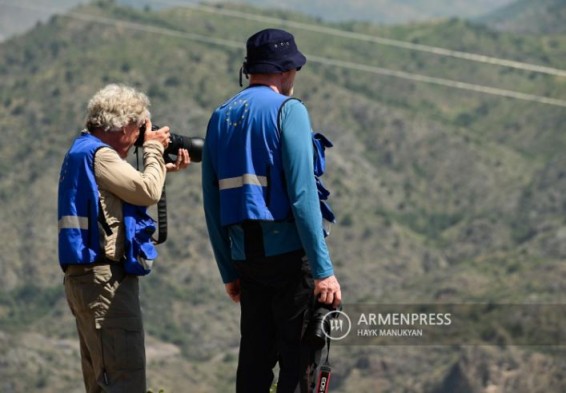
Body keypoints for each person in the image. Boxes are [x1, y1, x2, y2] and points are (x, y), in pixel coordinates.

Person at [202, 28, 342, 392]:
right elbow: (302, 195)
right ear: (285, 71)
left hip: (247, 261)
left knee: (254, 364)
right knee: (299, 368)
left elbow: (211, 201)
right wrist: (324, 270)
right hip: (290, 261)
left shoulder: (220, 117)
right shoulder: (288, 111)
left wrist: (227, 270)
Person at [57, 83, 190, 392]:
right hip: (105, 282)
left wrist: (161, 169)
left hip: (85, 280)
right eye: (138, 128)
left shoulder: (81, 151)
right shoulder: (101, 156)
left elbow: (116, 191)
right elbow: (146, 192)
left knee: (101, 380)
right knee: (124, 379)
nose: (138, 138)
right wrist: (154, 149)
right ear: (124, 125)